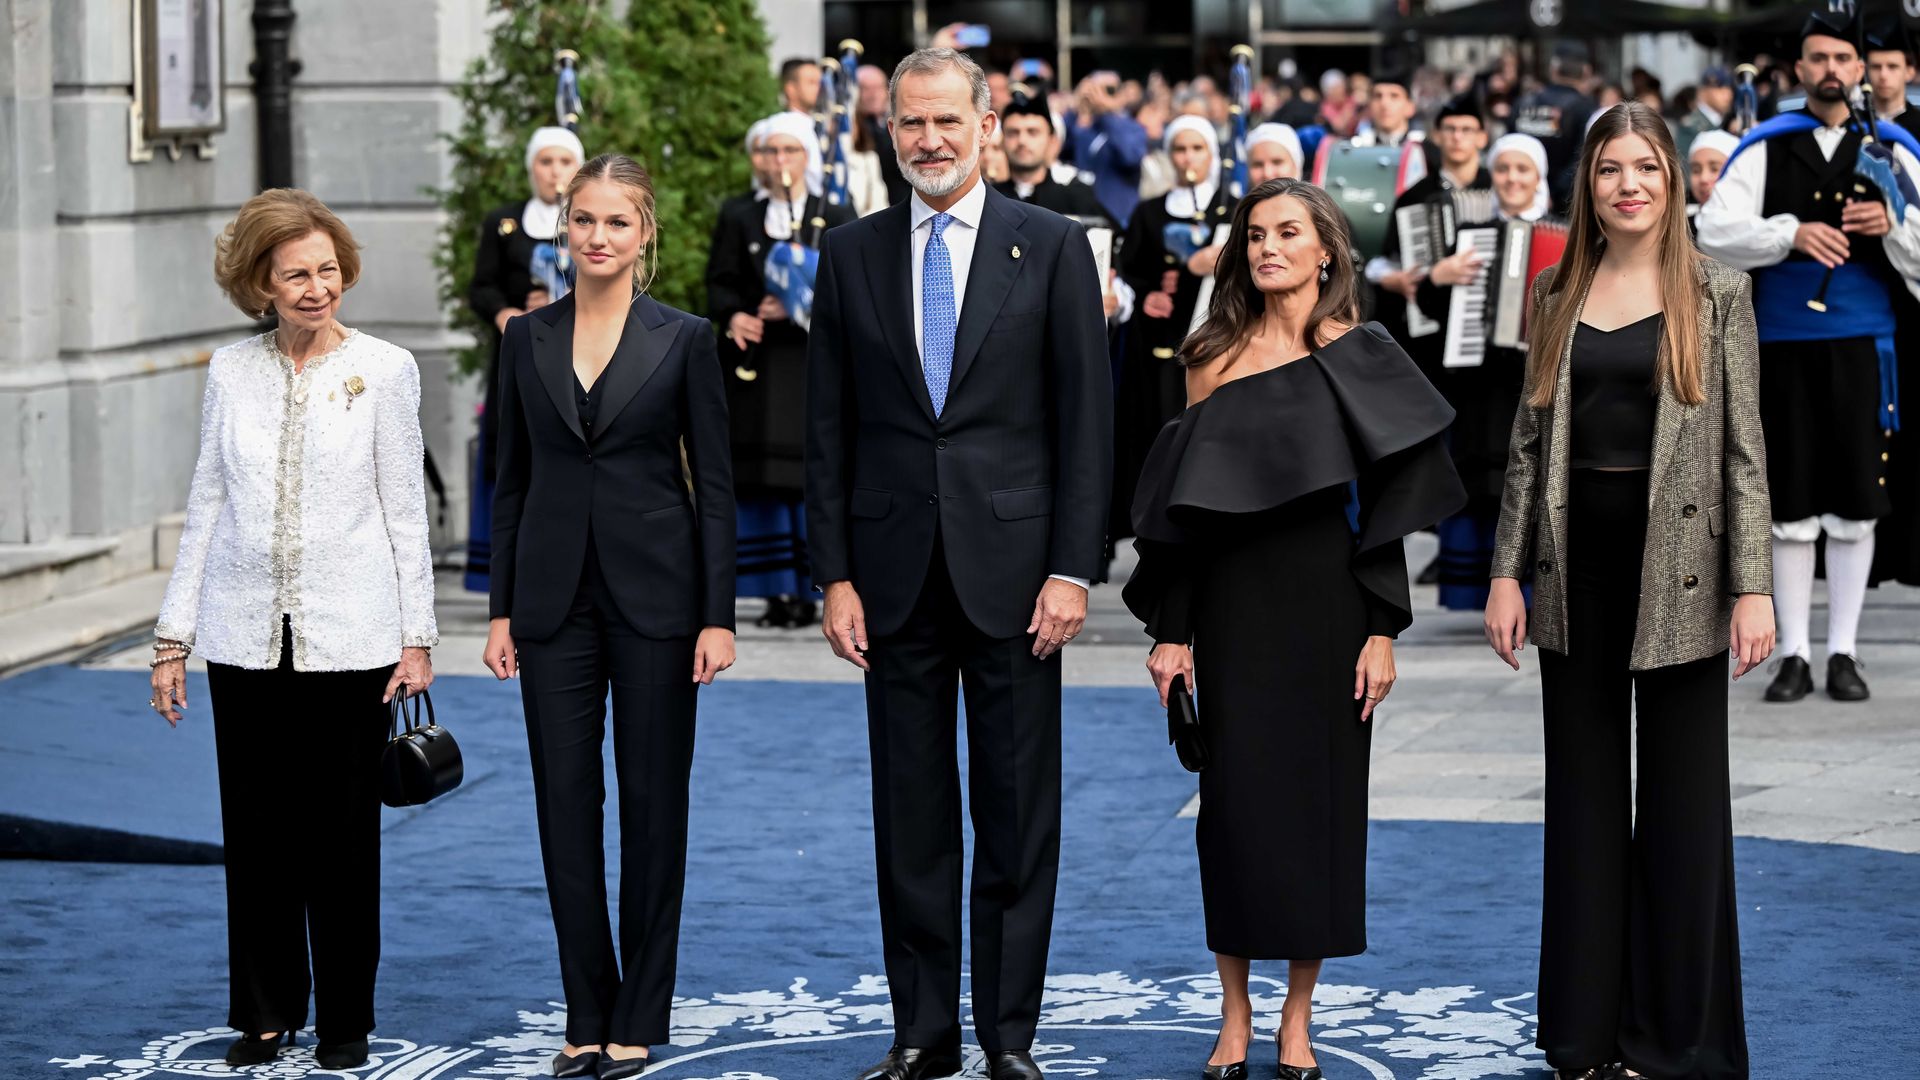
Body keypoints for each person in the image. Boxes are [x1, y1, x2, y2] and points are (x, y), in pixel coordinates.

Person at [805, 47, 1111, 1080]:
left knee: (1019, 815)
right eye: (910, 124)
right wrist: (834, 573)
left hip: (1021, 578)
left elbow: (1087, 423)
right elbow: (827, 428)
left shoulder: (1055, 245)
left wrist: (1075, 566)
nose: (929, 141)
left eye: (947, 122)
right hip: (890, 576)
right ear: (887, 133)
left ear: (990, 127)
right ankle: (923, 1031)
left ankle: (1008, 1034)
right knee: (912, 815)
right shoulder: (848, 254)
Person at [1125, 177, 1463, 1080]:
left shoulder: (1365, 353)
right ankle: (1234, 1013)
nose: (1268, 246)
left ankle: (1297, 1018)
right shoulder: (1211, 357)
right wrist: (1172, 629)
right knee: (1231, 818)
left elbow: (1388, 509)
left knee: (1319, 816)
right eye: (1255, 234)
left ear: (1326, 252)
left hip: (1330, 607)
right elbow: (1181, 516)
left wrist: (1383, 627)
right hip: (1232, 609)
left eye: (1288, 233)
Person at [1485, 101, 1773, 1080]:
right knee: (1585, 805)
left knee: (1687, 811)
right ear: (1589, 184)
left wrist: (1755, 589)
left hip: (1683, 573)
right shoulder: (1556, 293)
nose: (1629, 185)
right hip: (1576, 577)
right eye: (1610, 169)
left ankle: (1682, 1040)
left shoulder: (1718, 292)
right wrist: (1504, 572)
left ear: (1674, 181)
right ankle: (1584, 1036)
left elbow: (1743, 453)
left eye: (1646, 166)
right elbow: (1527, 447)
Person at [151, 188, 439, 1072]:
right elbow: (206, 502)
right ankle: (266, 1013)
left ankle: (346, 1018)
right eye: (294, 276)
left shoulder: (387, 369)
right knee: (259, 835)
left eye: (326, 271)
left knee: (344, 840)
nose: (316, 289)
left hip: (350, 638)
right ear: (260, 286)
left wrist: (417, 636)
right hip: (243, 637)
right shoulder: (230, 371)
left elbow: (404, 512)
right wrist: (173, 639)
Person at [485, 154, 737, 1080]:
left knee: (652, 804)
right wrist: (501, 606)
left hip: (662, 601)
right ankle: (584, 1009)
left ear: (645, 235)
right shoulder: (526, 338)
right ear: (566, 227)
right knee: (564, 807)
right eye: (583, 220)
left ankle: (640, 1009)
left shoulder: (685, 338)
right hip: (551, 603)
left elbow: (715, 487)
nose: (596, 236)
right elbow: (509, 482)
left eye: (616, 223)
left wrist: (719, 615)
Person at [1697, 8, 1920, 702]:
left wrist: (1893, 227)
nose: (1831, 70)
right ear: (1800, 70)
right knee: (1788, 499)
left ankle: (1843, 651)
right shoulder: (1766, 146)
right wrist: (1789, 234)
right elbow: (1712, 232)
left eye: (1843, 59)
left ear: (1861, 70)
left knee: (1856, 497)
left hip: (1862, 346)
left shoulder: (1892, 150)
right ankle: (1792, 651)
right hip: (1781, 344)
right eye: (1818, 58)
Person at [708, 113, 857, 628]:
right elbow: (720, 281)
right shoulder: (740, 214)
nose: (779, 162)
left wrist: (804, 302)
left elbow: (852, 285)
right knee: (762, 478)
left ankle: (815, 587)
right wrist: (737, 315)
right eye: (770, 152)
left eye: (790, 151)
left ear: (807, 158)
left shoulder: (832, 212)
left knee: (807, 474)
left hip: (812, 362)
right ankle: (773, 590)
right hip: (760, 366)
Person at [1413, 132, 1556, 611]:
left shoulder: (1565, 237)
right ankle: (1484, 591)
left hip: (1541, 384)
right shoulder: (1472, 237)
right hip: (1481, 388)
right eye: (1503, 170)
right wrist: (1439, 276)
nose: (1512, 179)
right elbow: (1434, 312)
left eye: (1522, 170)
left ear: (1538, 178)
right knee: (1483, 483)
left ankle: (1541, 592)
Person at [466, 127, 586, 591]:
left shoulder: (587, 222)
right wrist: (507, 315)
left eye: (564, 162)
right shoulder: (505, 222)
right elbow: (482, 285)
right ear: (531, 166)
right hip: (521, 352)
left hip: (577, 348)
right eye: (546, 161)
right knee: (515, 446)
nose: (554, 171)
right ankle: (510, 570)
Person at [1111, 114, 1237, 543]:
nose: (1188, 158)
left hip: (1219, 342)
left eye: (1197, 148)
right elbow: (1129, 269)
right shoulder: (1149, 212)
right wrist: (1146, 294)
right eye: (1180, 149)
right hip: (1160, 346)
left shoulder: (1234, 208)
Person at [1374, 98, 1490, 387]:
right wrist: (1396, 278)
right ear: (1436, 136)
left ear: (1482, 137)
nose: (1457, 137)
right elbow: (1384, 261)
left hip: (1485, 329)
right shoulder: (1413, 197)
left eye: (1467, 129)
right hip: (1431, 331)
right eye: (1450, 129)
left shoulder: (1500, 189)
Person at [1515, 42, 1598, 210]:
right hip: (1565, 205)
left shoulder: (1523, 104)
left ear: (1553, 70)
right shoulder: (1586, 109)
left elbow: (1510, 148)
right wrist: (1553, 194)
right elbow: (1583, 158)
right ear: (1586, 72)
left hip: (1521, 196)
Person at [1065, 70, 1151, 224]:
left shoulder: (1133, 128)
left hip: (1119, 218)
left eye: (1110, 90)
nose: (1101, 96)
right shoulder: (1083, 125)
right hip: (1083, 215)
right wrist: (1076, 108)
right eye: (1096, 90)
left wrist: (1109, 113)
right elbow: (1059, 149)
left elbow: (1129, 157)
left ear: (1121, 94)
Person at [859, 63, 911, 206]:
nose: (872, 94)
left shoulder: (903, 119)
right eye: (865, 88)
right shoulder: (851, 131)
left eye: (878, 87)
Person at [1865, 20, 1920, 140]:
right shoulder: (1852, 124)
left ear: (1909, 72)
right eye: (1876, 67)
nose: (1883, 75)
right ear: (1866, 70)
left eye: (1892, 66)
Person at [1687, 129, 1739, 234]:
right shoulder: (1678, 230)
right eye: (1696, 170)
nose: (1703, 179)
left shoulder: (1755, 227)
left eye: (1714, 169)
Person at [1675, 67, 1734, 149]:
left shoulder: (1728, 121)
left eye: (1729, 88)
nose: (1727, 94)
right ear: (1703, 91)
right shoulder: (1691, 126)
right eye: (1719, 88)